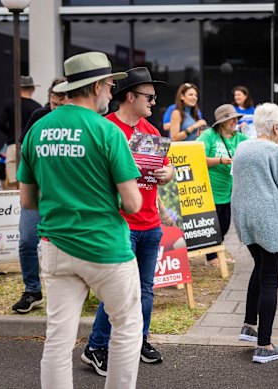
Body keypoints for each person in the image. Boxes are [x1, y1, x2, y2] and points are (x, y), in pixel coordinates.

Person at [17, 51, 144, 388]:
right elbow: (132, 204)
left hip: (56, 246)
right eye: (109, 86)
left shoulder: (37, 130)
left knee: (58, 338)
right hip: (106, 248)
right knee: (128, 326)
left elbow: (28, 201)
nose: (110, 93)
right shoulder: (108, 132)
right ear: (98, 86)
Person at [82, 67, 173, 376]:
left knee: (146, 289)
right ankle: (96, 346)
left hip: (150, 222)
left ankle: (139, 339)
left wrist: (167, 173)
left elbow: (167, 167)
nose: (154, 102)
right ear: (130, 96)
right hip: (119, 224)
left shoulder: (152, 131)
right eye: (149, 96)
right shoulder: (106, 128)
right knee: (117, 291)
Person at [232, 102, 278, 364]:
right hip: (268, 221)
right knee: (270, 279)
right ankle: (264, 346)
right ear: (275, 127)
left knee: (260, 267)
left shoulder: (243, 147)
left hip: (244, 220)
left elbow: (253, 180)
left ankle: (249, 326)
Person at [11, 77, 70, 314]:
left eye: (62, 105)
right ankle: (32, 291)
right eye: (53, 104)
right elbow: (26, 150)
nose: (56, 110)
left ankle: (70, 294)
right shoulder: (38, 116)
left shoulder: (80, 122)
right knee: (27, 239)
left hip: (64, 194)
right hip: (37, 190)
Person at [196, 104, 248, 267]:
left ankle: (216, 254)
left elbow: (256, 147)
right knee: (213, 226)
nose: (234, 121)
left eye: (235, 119)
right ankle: (212, 258)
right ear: (221, 122)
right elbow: (195, 156)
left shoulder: (239, 138)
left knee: (224, 226)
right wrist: (219, 160)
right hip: (209, 189)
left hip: (228, 191)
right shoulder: (209, 136)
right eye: (230, 119)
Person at [0, 75, 42, 189]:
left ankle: (13, 206)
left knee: (13, 181)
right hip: (31, 146)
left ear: (18, 89)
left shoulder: (10, 104)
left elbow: (1, 124)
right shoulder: (37, 107)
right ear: (32, 89)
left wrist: (11, 134)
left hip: (13, 144)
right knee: (30, 180)